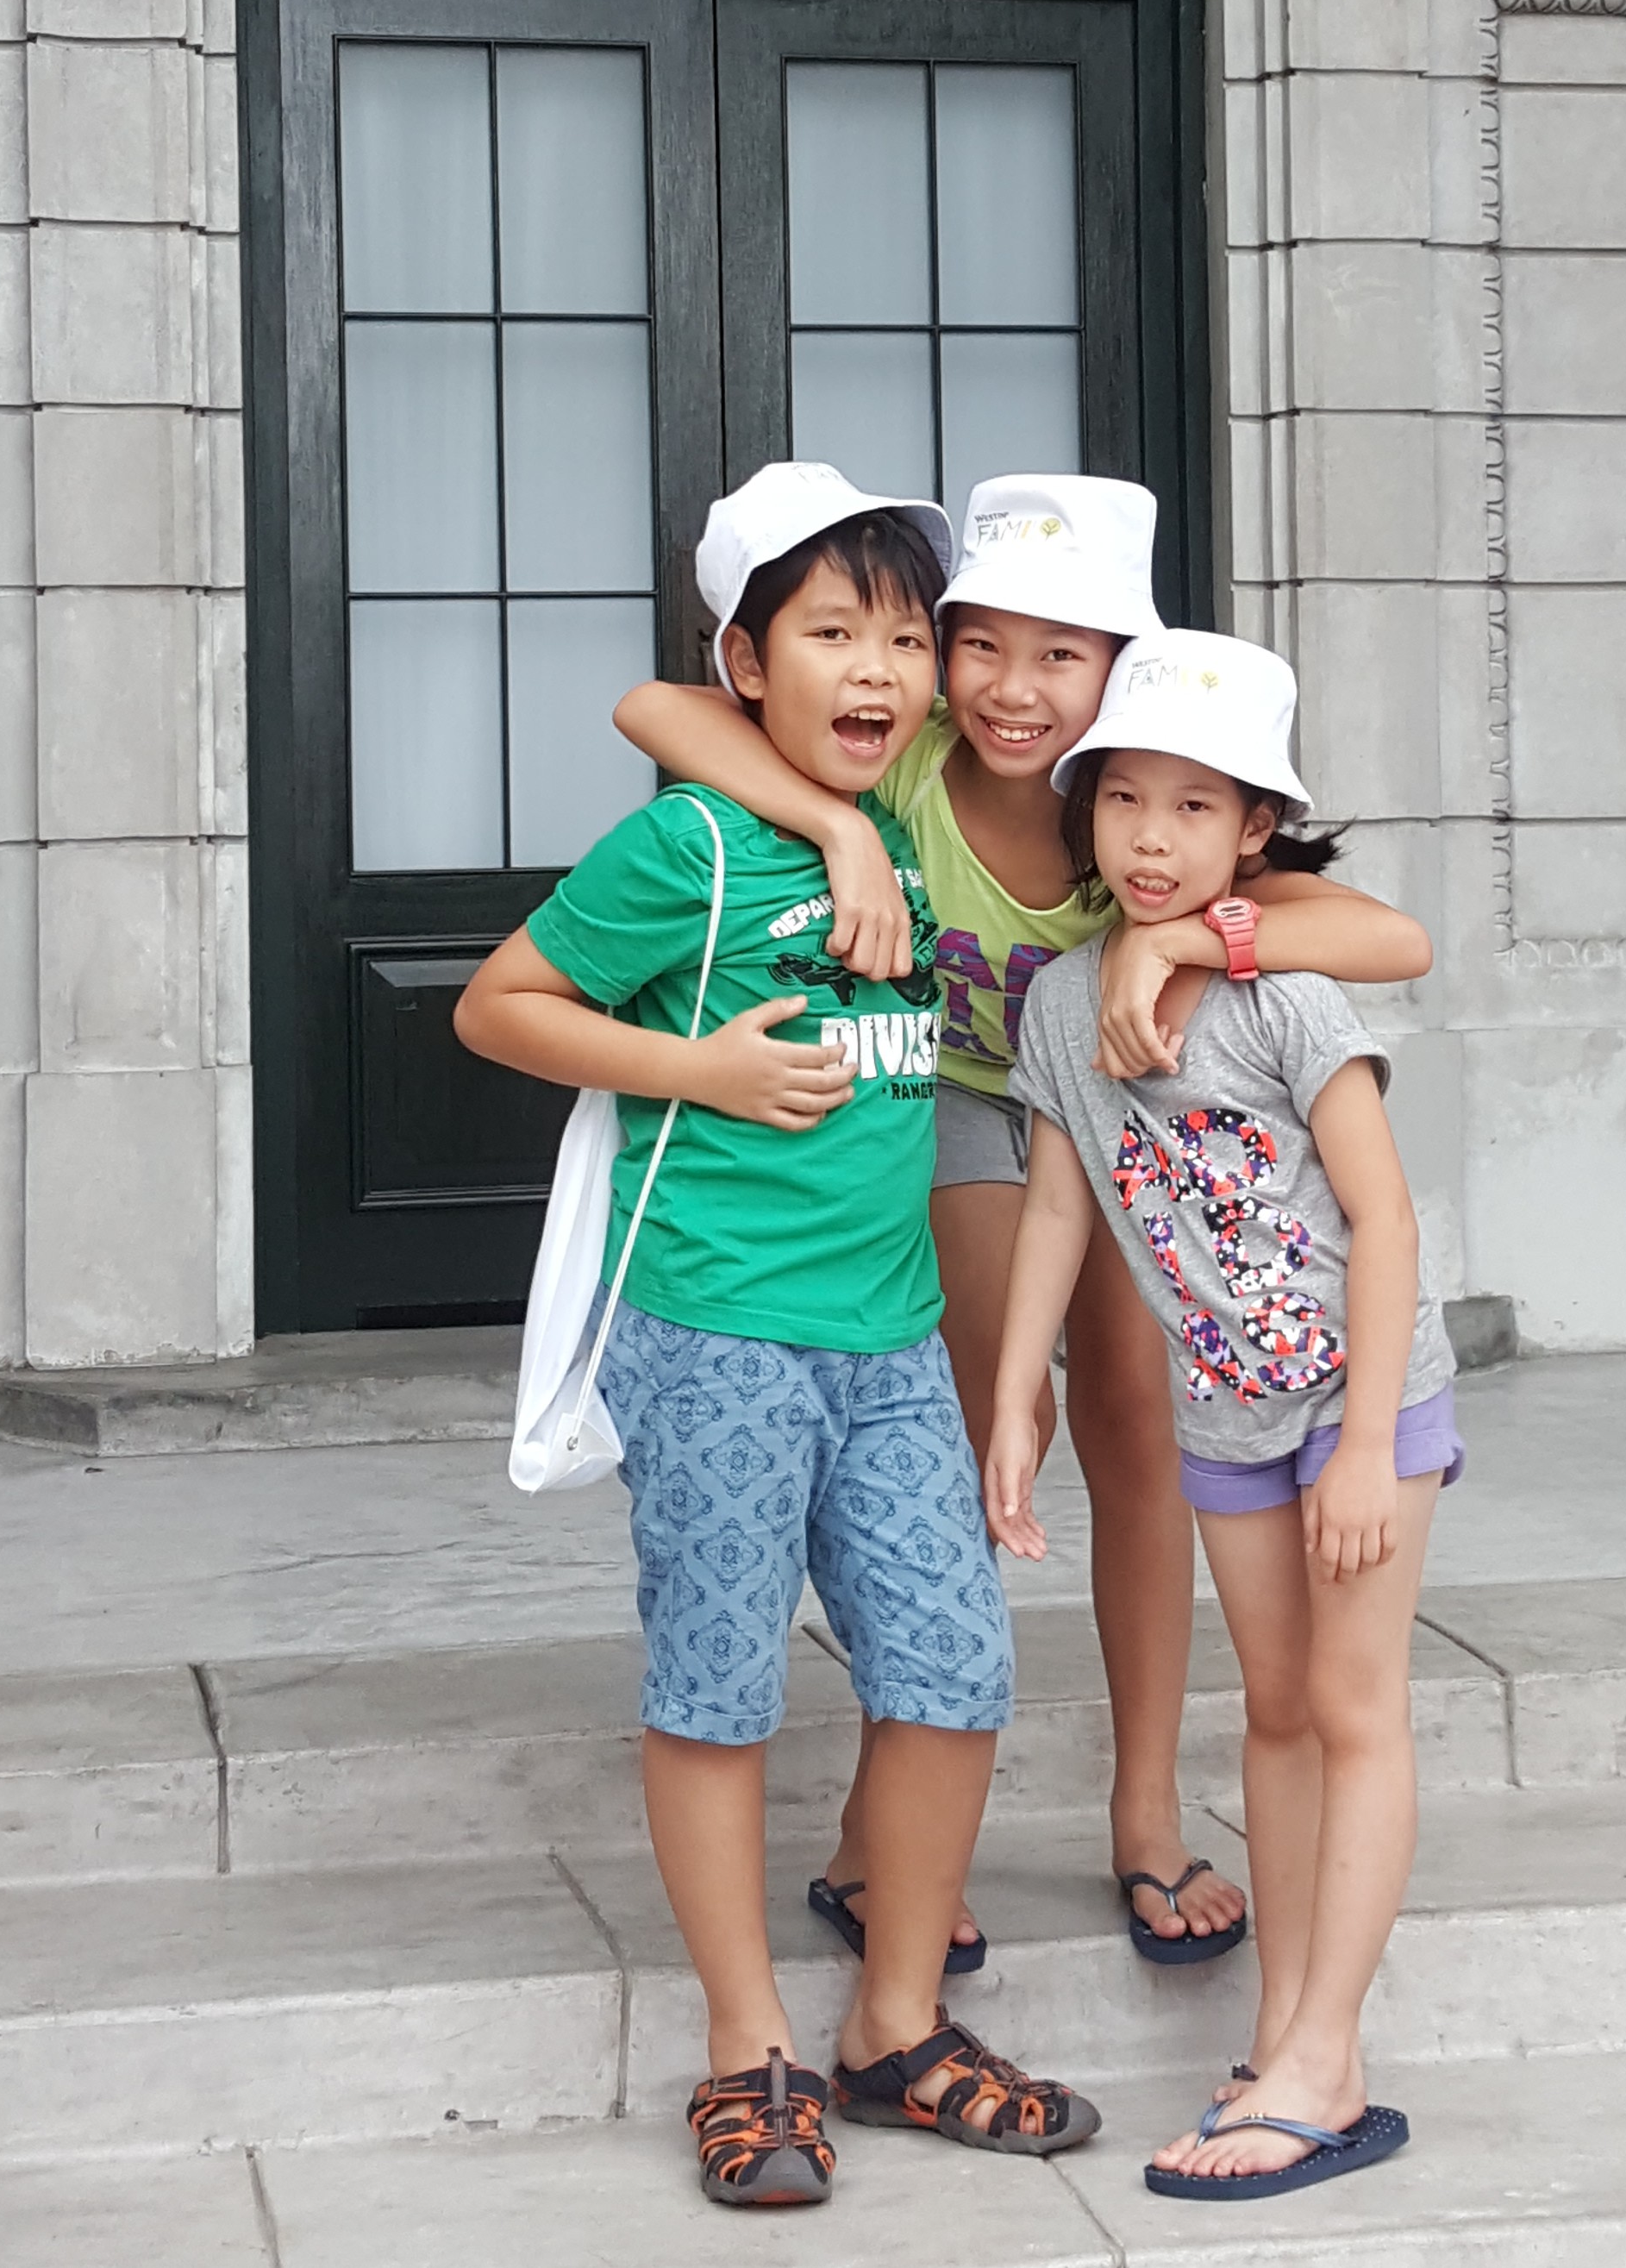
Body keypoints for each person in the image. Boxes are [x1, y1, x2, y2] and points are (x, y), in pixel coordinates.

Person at [618, 475, 1431, 1976]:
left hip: (1103, 1116)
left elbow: (1393, 936)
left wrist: (1185, 931)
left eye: (1065, 655)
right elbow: (655, 708)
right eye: (981, 642)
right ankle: (886, 1831)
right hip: (937, 1101)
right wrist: (838, 828)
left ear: (1124, 670)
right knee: (996, 1411)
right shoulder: (916, 751)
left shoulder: (1144, 799)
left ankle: (1145, 1810)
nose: (1013, 687)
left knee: (1137, 1411)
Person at [456, 464, 1098, 2212]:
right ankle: (748, 2049)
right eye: (830, 633)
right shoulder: (690, 848)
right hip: (718, 1329)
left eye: (904, 636)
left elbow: (727, 713)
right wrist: (702, 1067)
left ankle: (896, 2022)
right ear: (749, 662)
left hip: (892, 1339)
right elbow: (500, 1003)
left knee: (954, 1664)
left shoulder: (910, 808)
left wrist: (850, 824)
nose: (877, 668)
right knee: (718, 1683)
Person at [984, 629, 1461, 2208]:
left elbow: (1386, 1220)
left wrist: (1371, 1440)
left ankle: (1328, 2062)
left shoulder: (1288, 995)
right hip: (1227, 1411)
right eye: (1125, 798)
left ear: (1255, 828)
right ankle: (1282, 2039)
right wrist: (1016, 1396)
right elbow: (1059, 1208)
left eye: (1195, 806)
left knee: (1353, 1701)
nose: (1152, 836)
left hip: (1361, 1395)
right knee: (1272, 1710)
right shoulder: (1064, 1001)